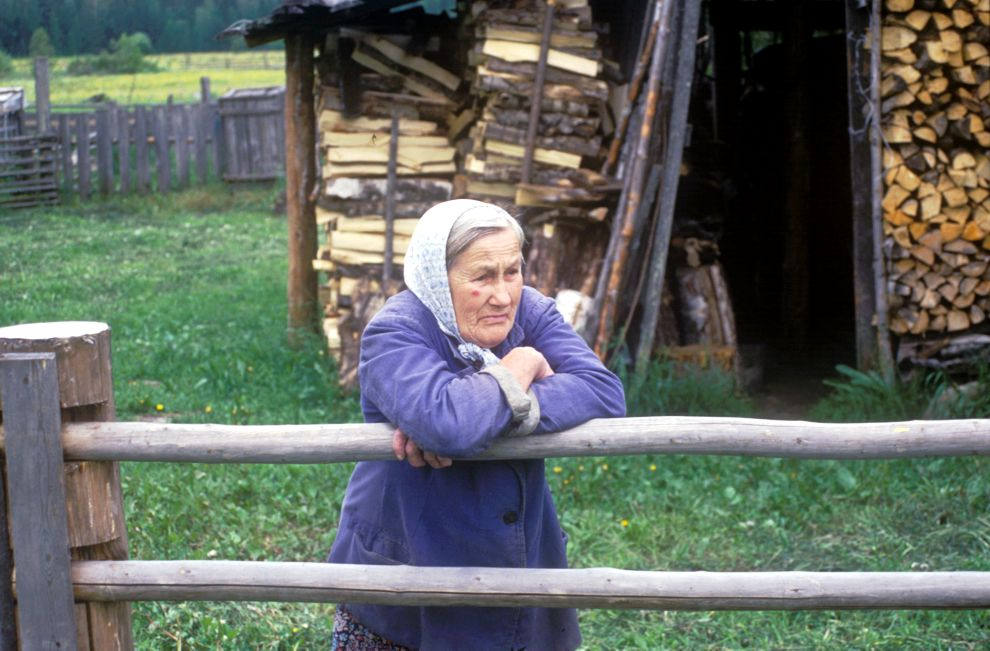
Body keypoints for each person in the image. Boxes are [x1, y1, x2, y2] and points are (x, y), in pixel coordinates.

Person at [327, 199, 625, 650]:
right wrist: (520, 367)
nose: (503, 295)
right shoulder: (396, 331)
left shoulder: (531, 311)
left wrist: (475, 412)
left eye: (513, 271)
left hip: (519, 562)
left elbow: (604, 392)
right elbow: (449, 426)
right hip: (408, 570)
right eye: (483, 276)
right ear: (436, 275)